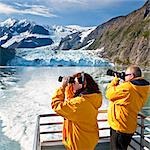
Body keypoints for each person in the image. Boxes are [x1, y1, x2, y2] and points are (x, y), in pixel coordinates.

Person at [51, 72, 102, 150]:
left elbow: (56, 105)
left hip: (79, 144)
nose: (72, 84)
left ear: (84, 84)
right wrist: (70, 85)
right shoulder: (92, 98)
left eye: (74, 83)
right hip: (88, 139)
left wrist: (62, 87)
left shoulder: (79, 103)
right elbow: (71, 100)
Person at [106, 65, 150, 150]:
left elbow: (109, 94)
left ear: (132, 76)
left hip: (119, 127)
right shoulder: (143, 88)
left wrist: (114, 81)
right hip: (129, 126)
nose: (124, 76)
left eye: (125, 75)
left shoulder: (127, 88)